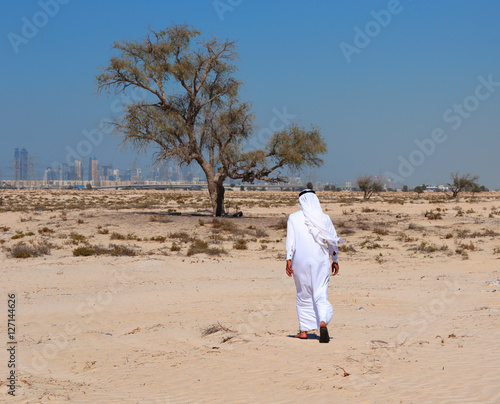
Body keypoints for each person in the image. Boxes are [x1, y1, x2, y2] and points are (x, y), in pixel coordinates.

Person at [285, 189, 342, 343]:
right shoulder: (324, 218)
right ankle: (322, 322)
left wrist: (288, 259)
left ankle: (303, 331)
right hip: (320, 260)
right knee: (320, 293)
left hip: (300, 260)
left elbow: (291, 241)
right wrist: (335, 259)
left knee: (303, 293)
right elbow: (332, 241)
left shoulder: (293, 218)